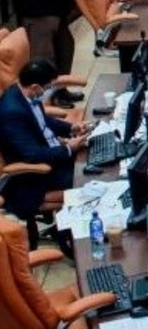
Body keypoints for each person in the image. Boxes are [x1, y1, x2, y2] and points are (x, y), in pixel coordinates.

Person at [0, 59, 89, 222]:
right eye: (48, 88)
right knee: (90, 179)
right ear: (35, 87)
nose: (49, 91)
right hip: (37, 174)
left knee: (94, 157)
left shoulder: (25, 93)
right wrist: (68, 149)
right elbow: (33, 156)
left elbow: (42, 122)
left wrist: (71, 128)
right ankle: (70, 230)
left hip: (53, 154)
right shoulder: (12, 113)